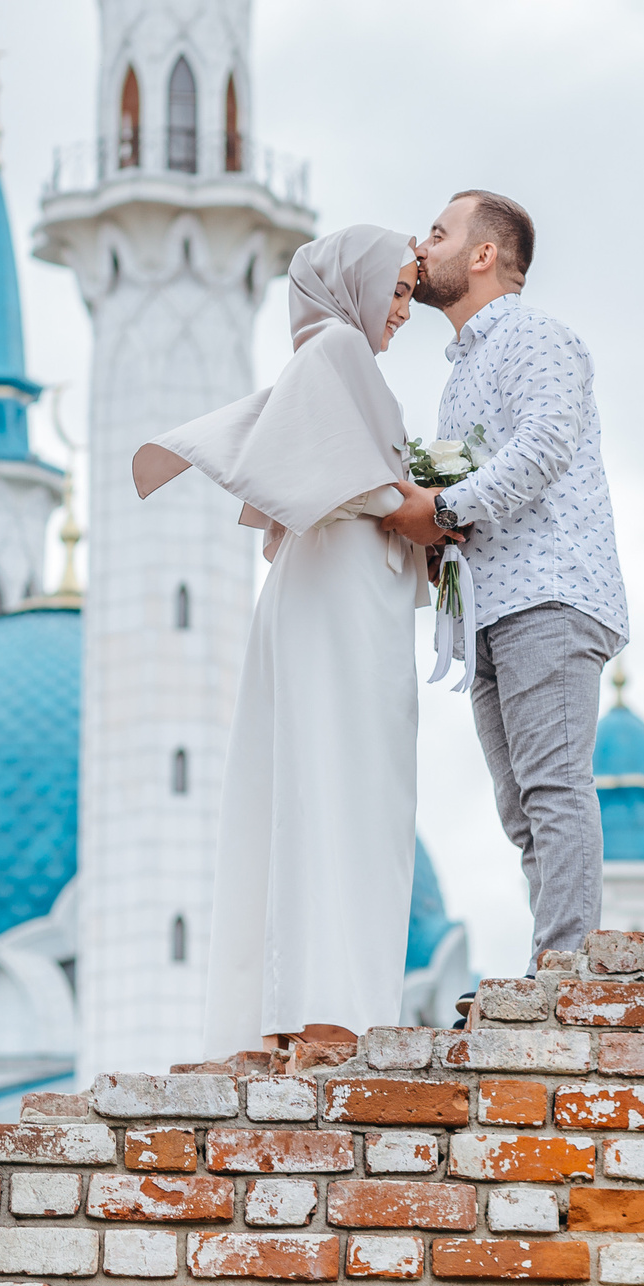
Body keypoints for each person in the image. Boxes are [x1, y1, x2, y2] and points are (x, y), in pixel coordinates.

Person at [133, 225, 429, 1063]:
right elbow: (353, 485)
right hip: (339, 602)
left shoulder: (325, 359)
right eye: (397, 290)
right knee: (343, 785)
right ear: (352, 284)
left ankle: (282, 1014)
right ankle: (330, 1012)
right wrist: (429, 506)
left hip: (330, 591)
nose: (403, 310)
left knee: (304, 782)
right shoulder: (337, 351)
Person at [378, 189, 627, 975]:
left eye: (440, 233)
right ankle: (554, 962)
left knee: (552, 788)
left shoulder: (535, 336)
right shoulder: (466, 369)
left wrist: (444, 505)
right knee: (522, 807)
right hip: (493, 604)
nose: (423, 245)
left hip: (548, 592)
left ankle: (566, 968)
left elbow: (545, 444)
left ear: (484, 255)